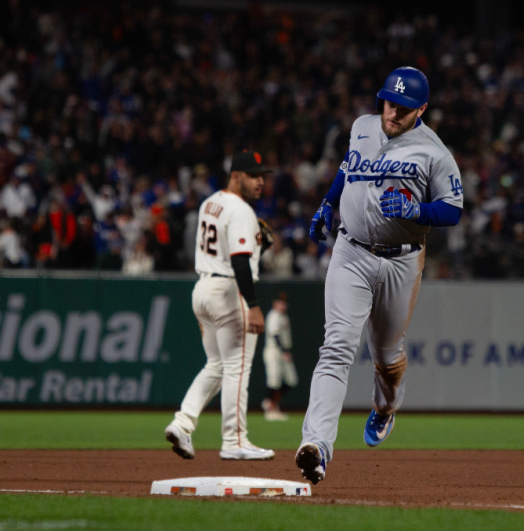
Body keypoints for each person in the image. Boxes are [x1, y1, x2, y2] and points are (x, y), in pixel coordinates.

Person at [295, 67, 464, 484]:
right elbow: (346, 168)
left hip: (402, 262)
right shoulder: (363, 127)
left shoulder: (434, 152)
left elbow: (453, 208)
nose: (392, 111)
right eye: (389, 102)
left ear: (421, 109)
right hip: (350, 251)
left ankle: (386, 407)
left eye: (403, 107)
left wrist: (417, 212)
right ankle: (316, 446)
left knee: (387, 359)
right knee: (336, 346)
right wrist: (326, 204)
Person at [165, 150, 275, 461]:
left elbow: (233, 250)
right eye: (254, 176)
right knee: (238, 368)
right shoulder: (241, 211)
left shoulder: (210, 202)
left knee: (216, 365)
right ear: (236, 175)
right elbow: (240, 261)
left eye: (263, 176)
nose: (260, 182)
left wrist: (257, 244)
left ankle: (182, 423)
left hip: (203, 289)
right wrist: (252, 305)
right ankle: (234, 440)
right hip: (229, 291)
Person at [261, 291, 298, 421]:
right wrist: (284, 351)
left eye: (284, 303)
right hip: (274, 350)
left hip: (283, 351)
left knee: (291, 380)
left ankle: (269, 402)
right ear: (274, 303)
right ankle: (271, 409)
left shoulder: (283, 316)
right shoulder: (274, 315)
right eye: (280, 302)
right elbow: (275, 335)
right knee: (274, 381)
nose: (282, 305)